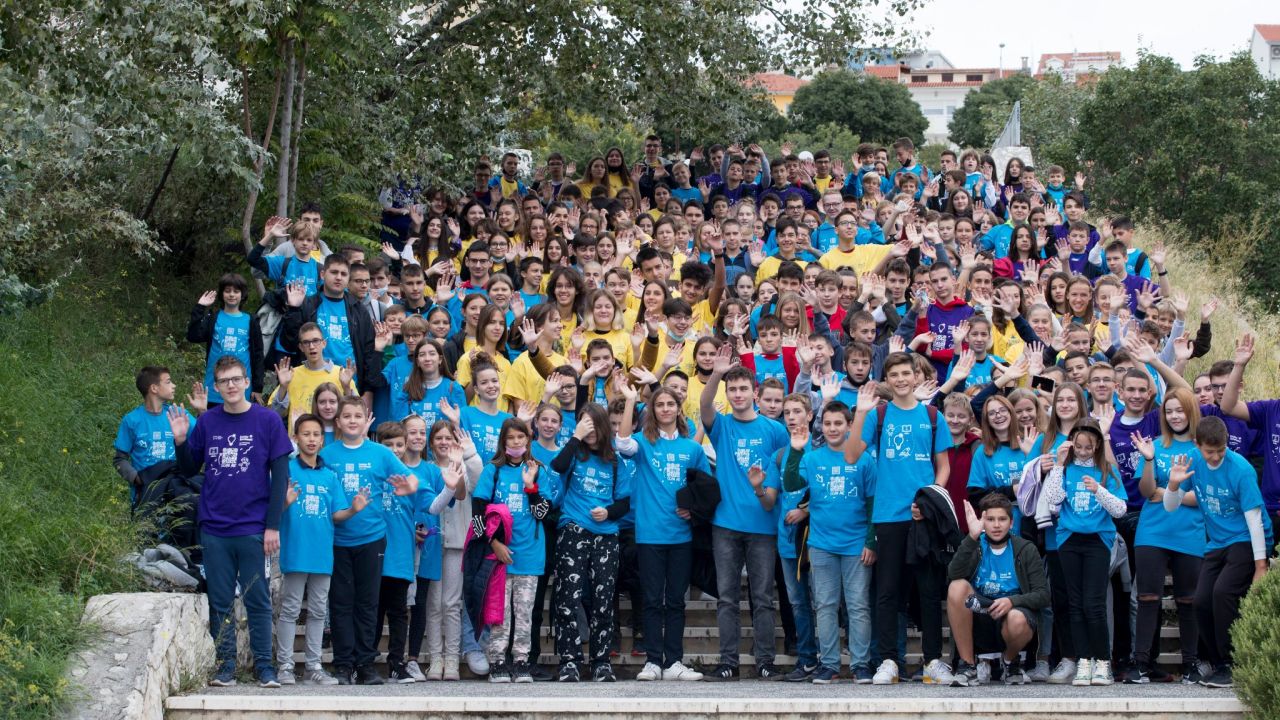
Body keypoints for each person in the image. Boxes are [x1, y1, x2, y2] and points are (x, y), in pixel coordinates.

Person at [168, 356, 293, 688]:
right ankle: (225, 667)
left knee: (257, 599)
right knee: (220, 601)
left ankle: (265, 667)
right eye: (224, 381)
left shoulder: (268, 420)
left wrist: (272, 525)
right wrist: (181, 441)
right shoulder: (208, 421)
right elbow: (189, 469)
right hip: (214, 527)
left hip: (253, 526)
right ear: (217, 387)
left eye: (236, 379)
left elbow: (280, 477)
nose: (231, 385)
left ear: (247, 382)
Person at [843, 353, 953, 685]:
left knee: (928, 591)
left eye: (907, 373)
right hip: (889, 516)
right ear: (887, 380)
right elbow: (851, 455)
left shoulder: (932, 416)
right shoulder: (878, 415)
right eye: (895, 374)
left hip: (922, 518)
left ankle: (932, 661)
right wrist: (860, 413)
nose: (902, 379)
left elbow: (943, 467)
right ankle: (888, 660)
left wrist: (930, 500)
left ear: (916, 376)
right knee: (888, 591)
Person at [700, 344, 790, 681]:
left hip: (763, 524)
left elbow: (781, 475)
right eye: (732, 389)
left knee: (762, 597)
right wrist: (717, 374)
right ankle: (729, 662)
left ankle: (765, 661)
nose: (737, 394)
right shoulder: (722, 426)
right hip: (725, 524)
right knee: (726, 598)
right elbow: (704, 405)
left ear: (755, 393)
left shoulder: (775, 430)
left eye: (743, 389)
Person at [1164, 416, 1269, 689]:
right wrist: (1173, 485)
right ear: (1197, 444)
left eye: (1221, 450)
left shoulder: (1241, 469)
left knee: (1223, 594)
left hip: (1245, 539)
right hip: (1217, 542)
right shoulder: (1191, 461)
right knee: (1200, 601)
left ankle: (1233, 663)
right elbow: (1170, 506)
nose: (1215, 456)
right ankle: (1218, 662)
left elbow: (1255, 519)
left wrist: (1260, 566)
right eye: (1210, 451)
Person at [320, 398, 419, 685]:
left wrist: (408, 487)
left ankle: (365, 664)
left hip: (372, 539)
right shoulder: (327, 454)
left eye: (357, 416)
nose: (352, 420)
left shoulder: (380, 453)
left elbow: (411, 479)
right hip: (337, 539)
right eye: (347, 416)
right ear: (338, 422)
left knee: (368, 604)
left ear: (366, 421)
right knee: (341, 604)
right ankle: (343, 664)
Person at [615, 384, 708, 682]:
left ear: (679, 409)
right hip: (649, 535)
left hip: (681, 536)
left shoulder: (692, 448)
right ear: (652, 410)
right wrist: (631, 400)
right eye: (660, 404)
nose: (665, 409)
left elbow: (704, 488)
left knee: (676, 601)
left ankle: (675, 662)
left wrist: (693, 510)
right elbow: (622, 444)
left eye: (670, 404)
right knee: (653, 599)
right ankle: (653, 661)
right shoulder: (643, 443)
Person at [783, 402, 876, 684]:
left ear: (849, 426)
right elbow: (790, 484)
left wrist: (871, 541)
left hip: (856, 544)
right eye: (827, 423)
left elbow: (872, 503)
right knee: (825, 605)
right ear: (821, 426)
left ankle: (861, 664)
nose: (832, 428)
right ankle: (829, 664)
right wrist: (796, 450)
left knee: (858, 606)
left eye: (838, 423)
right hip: (822, 544)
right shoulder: (812, 458)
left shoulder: (863, 459)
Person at [275, 414, 367, 686]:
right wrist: (285, 502)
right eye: (306, 434)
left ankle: (313, 666)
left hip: (322, 554)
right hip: (295, 551)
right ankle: (285, 666)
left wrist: (353, 510)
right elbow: (270, 511)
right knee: (290, 609)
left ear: (322, 439)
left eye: (316, 434)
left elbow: (336, 514)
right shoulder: (286, 470)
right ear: (296, 438)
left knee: (317, 611)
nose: (312, 439)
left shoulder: (329, 476)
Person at [550, 402, 632, 683]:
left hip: (606, 536)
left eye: (595, 424)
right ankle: (569, 661)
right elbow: (558, 465)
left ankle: (601, 662)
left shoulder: (615, 461)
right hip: (573, 529)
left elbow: (624, 502)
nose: (591, 430)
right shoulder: (574, 453)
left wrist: (608, 512)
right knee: (568, 598)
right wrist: (576, 436)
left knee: (603, 601)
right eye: (586, 424)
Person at [1042, 419, 1128, 686]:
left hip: (1097, 541)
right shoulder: (1065, 469)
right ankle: (1083, 660)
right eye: (1077, 446)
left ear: (1097, 445)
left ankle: (1103, 662)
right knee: (1075, 603)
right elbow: (1053, 501)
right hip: (1069, 540)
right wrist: (1058, 464)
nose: (1081, 451)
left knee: (1094, 603)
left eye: (1087, 447)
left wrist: (1098, 490)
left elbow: (1120, 510)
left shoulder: (1107, 471)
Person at [472, 418, 557, 683]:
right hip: (499, 557)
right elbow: (478, 514)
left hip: (529, 555)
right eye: (511, 437)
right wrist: (494, 543)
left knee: (525, 613)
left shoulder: (538, 470)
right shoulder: (493, 470)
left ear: (528, 439)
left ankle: (521, 662)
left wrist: (531, 487)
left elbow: (543, 513)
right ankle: (497, 662)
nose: (516, 442)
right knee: (499, 612)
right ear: (503, 441)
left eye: (521, 437)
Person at [1129, 388, 1205, 684]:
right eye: (1169, 411)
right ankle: (1141, 664)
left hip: (1190, 533)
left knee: (1188, 600)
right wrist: (1149, 460)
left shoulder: (1202, 449)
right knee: (1148, 598)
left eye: (1180, 410)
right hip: (1152, 532)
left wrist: (1170, 492)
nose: (1174, 416)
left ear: (1191, 411)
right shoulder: (1155, 445)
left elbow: (1202, 497)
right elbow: (1147, 492)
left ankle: (1191, 664)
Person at [946, 495, 1050, 687]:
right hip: (979, 615)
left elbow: (1043, 595)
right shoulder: (975, 544)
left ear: (1011, 523)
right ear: (983, 522)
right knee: (956, 586)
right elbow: (953, 574)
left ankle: (1009, 662)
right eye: (990, 519)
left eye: (1002, 519)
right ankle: (968, 666)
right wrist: (971, 537)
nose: (996, 525)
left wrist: (1012, 601)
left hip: (1012, 617)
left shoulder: (1026, 549)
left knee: (1017, 618)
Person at [114, 366, 197, 512]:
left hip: (177, 489)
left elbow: (203, 437)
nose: (174, 385)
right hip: (147, 492)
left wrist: (202, 411)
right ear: (154, 388)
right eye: (168, 382)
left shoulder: (177, 414)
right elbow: (120, 459)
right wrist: (137, 479)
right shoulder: (132, 420)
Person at [187, 274, 264, 405]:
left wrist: (257, 387)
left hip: (242, 389)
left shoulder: (251, 320)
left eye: (236, 291)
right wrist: (200, 307)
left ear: (242, 294)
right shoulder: (214, 318)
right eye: (227, 291)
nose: (231, 294)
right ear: (222, 294)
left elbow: (258, 355)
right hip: (214, 387)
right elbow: (193, 336)